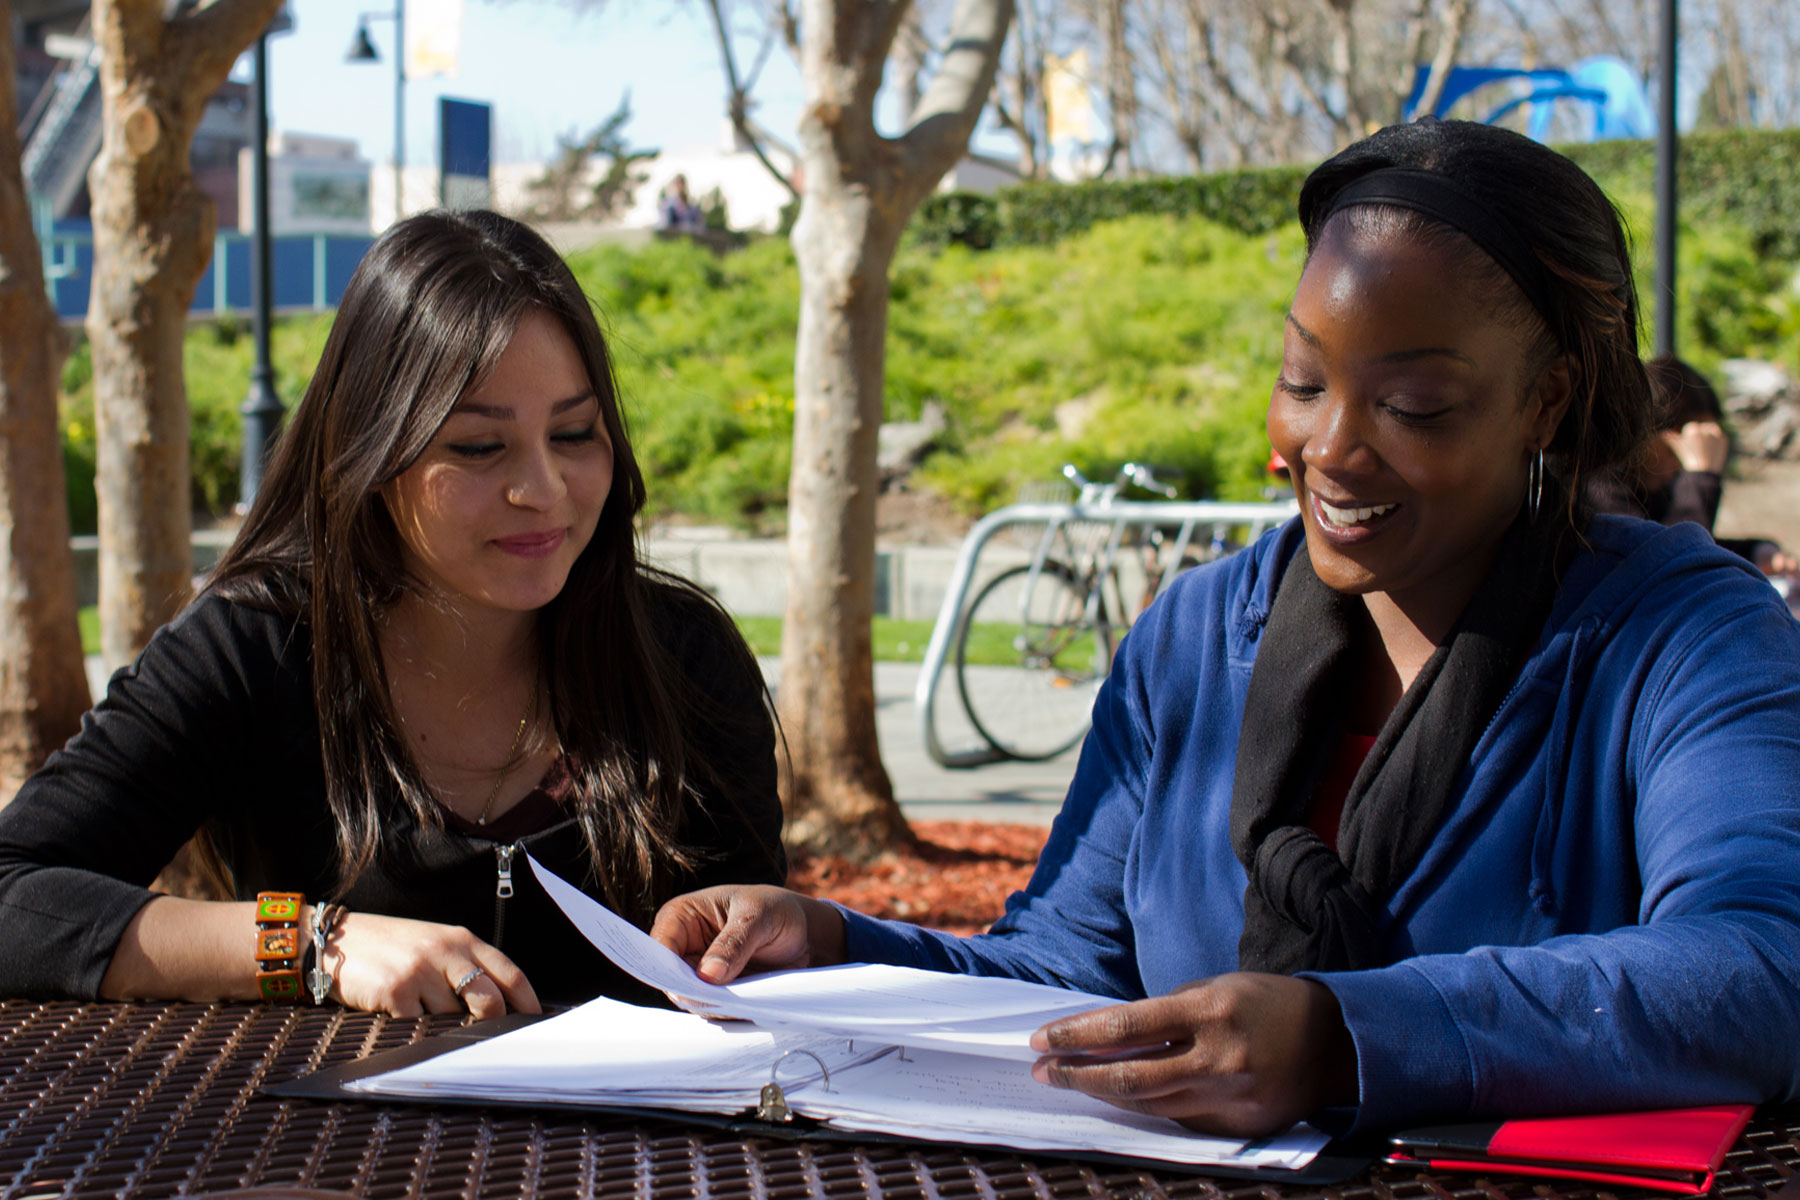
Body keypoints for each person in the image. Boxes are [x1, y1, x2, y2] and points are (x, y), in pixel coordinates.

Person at [652, 119, 1800, 1139]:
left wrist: (1345, 1038)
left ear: (1545, 400)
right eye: (1305, 380)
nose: (1334, 448)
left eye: (1413, 407)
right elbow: (1067, 973)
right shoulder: (1197, 639)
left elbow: (1763, 967)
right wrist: (835, 948)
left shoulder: (1685, 636)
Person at [0, 210, 784, 1018]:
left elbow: (779, 990)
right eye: (480, 447)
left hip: (643, 1148)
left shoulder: (682, 656)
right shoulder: (257, 645)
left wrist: (776, 937)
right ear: (373, 451)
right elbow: (12, 895)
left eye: (575, 433)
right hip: (325, 1145)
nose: (543, 489)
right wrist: (314, 945)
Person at [1589, 353, 1798, 577]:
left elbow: (1691, 543)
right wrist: (1700, 474)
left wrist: (1755, 553)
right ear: (1645, 435)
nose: (1680, 467)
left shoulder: (1652, 487)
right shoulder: (1596, 486)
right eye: (1674, 452)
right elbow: (1666, 567)